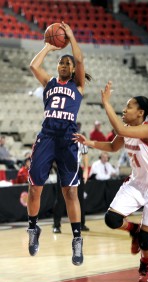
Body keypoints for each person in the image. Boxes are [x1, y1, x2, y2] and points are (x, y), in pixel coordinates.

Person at [73, 81, 148, 282]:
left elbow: (120, 129)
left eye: (129, 107)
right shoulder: (126, 129)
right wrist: (89, 143)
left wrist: (106, 103)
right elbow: (112, 146)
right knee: (112, 219)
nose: (124, 109)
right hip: (137, 183)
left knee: (146, 241)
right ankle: (134, 230)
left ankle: (146, 265)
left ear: (140, 113)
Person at [27, 21, 91, 266]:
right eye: (61, 62)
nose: (64, 65)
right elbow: (34, 65)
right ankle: (33, 229)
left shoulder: (78, 86)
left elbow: (80, 58)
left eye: (68, 63)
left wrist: (71, 36)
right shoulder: (50, 83)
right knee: (35, 187)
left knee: (70, 191)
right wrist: (48, 46)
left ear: (74, 69)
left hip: (67, 140)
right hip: (47, 137)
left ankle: (76, 239)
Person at [53, 140, 90, 233]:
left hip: (77, 169)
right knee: (60, 198)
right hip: (63, 170)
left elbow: (85, 154)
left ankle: (81, 224)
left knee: (79, 197)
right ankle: (56, 225)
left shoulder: (80, 140)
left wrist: (86, 171)